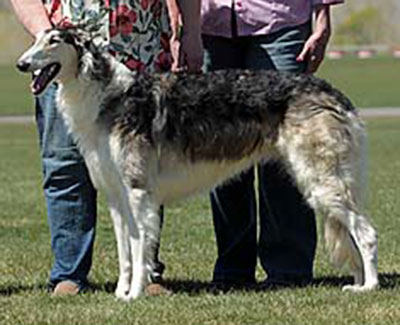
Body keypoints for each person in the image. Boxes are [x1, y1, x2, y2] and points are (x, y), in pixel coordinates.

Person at [10, 0, 202, 295]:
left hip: (142, 49)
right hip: (66, 56)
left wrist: (190, 33)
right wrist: (47, 36)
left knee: (141, 170)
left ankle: (146, 272)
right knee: (64, 166)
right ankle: (69, 274)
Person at [201, 0, 343, 288]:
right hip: (210, 25)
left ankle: (288, 269)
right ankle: (232, 269)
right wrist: (178, 25)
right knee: (221, 156)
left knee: (286, 152)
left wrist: (323, 15)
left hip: (281, 21)